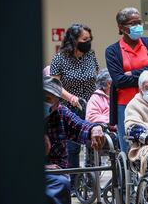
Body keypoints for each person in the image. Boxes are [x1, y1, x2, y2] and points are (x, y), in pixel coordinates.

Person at [105, 7, 148, 153]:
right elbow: (119, 80)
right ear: (121, 27)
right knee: (129, 147)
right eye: (133, 23)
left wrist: (132, 74)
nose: (138, 26)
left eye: (139, 22)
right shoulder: (112, 51)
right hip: (125, 105)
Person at [50, 23, 99, 190]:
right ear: (73, 40)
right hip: (69, 106)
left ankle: (92, 183)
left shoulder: (90, 56)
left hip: (90, 105)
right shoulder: (59, 58)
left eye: (89, 39)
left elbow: (96, 77)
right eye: (84, 39)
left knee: (92, 143)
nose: (88, 42)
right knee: (73, 149)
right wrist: (70, 97)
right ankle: (72, 184)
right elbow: (54, 84)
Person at [43, 76, 104, 204]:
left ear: (57, 103)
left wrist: (95, 128)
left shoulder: (61, 113)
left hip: (57, 172)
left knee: (62, 183)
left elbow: (80, 125)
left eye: (48, 99)